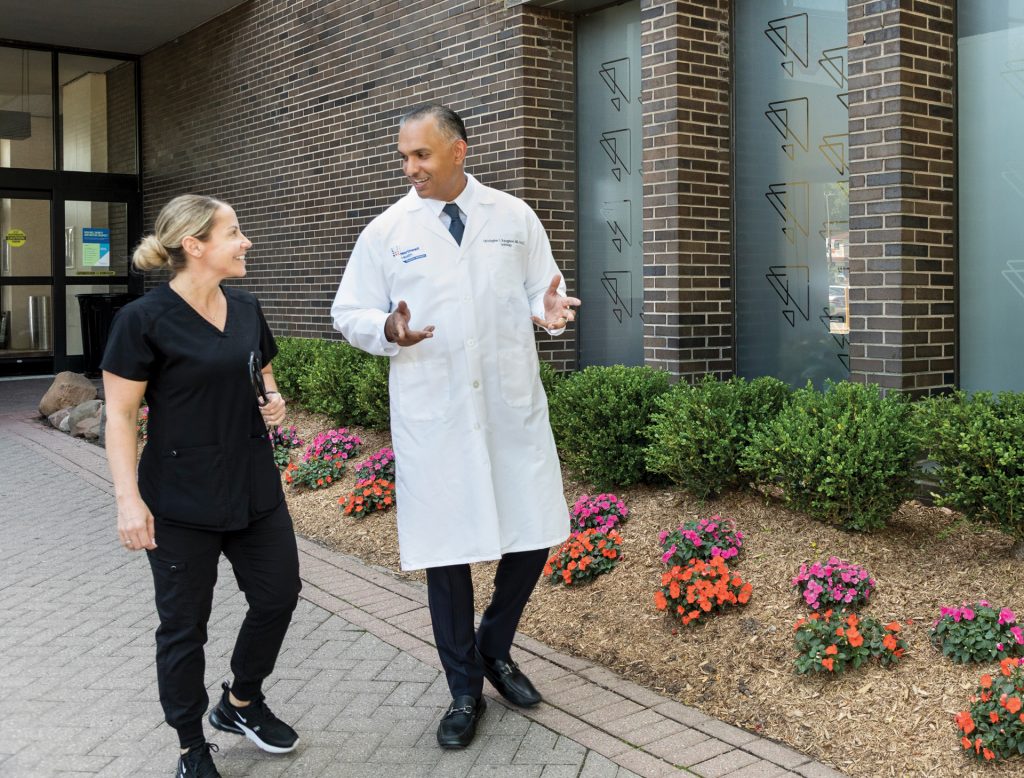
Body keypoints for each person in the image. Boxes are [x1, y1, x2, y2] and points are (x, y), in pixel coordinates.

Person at [331, 104, 581, 749]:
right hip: (435, 412)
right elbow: (348, 311)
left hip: (508, 407)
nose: (410, 168)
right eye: (405, 157)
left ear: (458, 150)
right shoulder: (388, 230)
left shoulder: (513, 216)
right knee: (446, 552)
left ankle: (493, 644)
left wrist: (548, 310)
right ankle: (464, 689)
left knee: (533, 533)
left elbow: (540, 290)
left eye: (421, 154)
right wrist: (386, 328)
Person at [102, 195, 302, 778]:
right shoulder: (142, 320)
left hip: (253, 486)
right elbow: (120, 416)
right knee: (185, 627)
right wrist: (128, 501)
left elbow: (262, 371)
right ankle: (191, 746)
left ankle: (241, 701)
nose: (246, 242)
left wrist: (273, 399)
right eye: (233, 232)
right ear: (194, 245)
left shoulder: (246, 307)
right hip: (179, 500)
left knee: (278, 595)